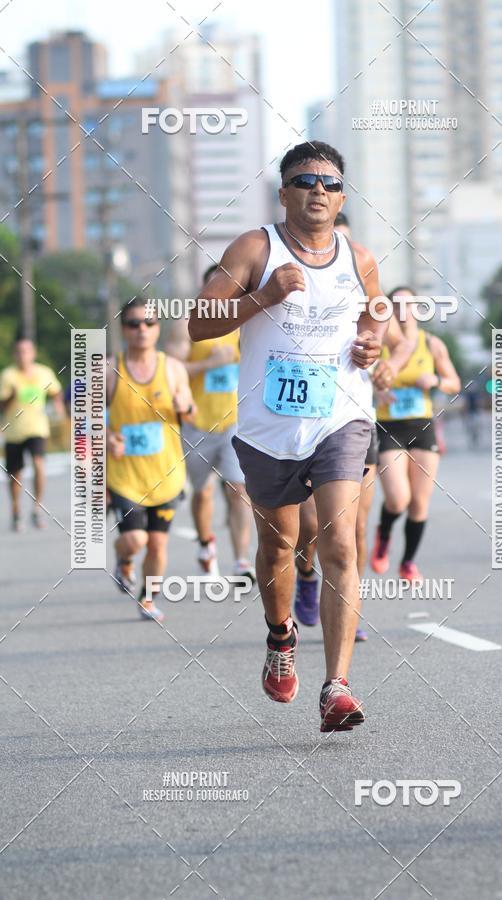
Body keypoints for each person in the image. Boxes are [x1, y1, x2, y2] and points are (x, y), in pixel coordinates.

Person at [189, 141, 389, 732]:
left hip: (341, 416)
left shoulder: (361, 256)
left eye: (328, 183)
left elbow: (373, 313)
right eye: (305, 181)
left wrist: (372, 340)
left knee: (341, 543)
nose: (317, 192)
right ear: (284, 193)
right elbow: (200, 323)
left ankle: (337, 687)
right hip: (268, 428)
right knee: (280, 545)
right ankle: (281, 635)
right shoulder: (254, 248)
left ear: (342, 197)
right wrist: (265, 296)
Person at [293, 214, 415, 641]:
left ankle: (347, 608)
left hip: (352, 421)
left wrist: (387, 366)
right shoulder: (290, 280)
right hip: (298, 420)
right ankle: (306, 574)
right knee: (309, 525)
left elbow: (401, 344)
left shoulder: (363, 280)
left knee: (352, 527)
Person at [107, 297, 194, 621]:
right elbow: (85, 420)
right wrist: (105, 437)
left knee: (157, 545)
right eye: (133, 324)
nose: (141, 330)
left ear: (157, 328)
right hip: (126, 477)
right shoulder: (109, 371)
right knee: (135, 539)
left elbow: (191, 412)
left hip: (167, 474)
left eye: (148, 323)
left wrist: (185, 405)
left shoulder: (172, 369)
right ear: (124, 329)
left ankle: (147, 599)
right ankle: (123, 557)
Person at [166, 264, 254, 581]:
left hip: (236, 422)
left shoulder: (248, 324)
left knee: (237, 489)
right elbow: (170, 371)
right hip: (197, 423)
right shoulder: (186, 324)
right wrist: (210, 363)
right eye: (216, 287)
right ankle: (206, 544)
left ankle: (241, 560)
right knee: (201, 493)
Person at [371, 287, 461, 582]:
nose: (401, 311)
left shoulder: (431, 344)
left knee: (419, 503)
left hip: (421, 425)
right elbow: (357, 378)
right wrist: (377, 390)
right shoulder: (379, 341)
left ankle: (408, 562)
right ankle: (383, 534)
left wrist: (435, 379)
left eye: (408, 306)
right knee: (398, 499)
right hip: (389, 426)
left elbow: (454, 383)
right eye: (395, 306)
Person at [0, 337, 65, 531]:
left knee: (38, 463)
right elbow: (2, 405)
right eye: (19, 352)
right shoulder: (8, 375)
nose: (23, 355)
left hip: (37, 428)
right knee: (16, 474)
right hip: (14, 430)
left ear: (33, 353)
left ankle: (37, 508)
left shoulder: (44, 373)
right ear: (14, 354)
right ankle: (16, 510)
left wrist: (60, 409)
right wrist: (12, 395)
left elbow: (56, 393)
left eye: (26, 351)